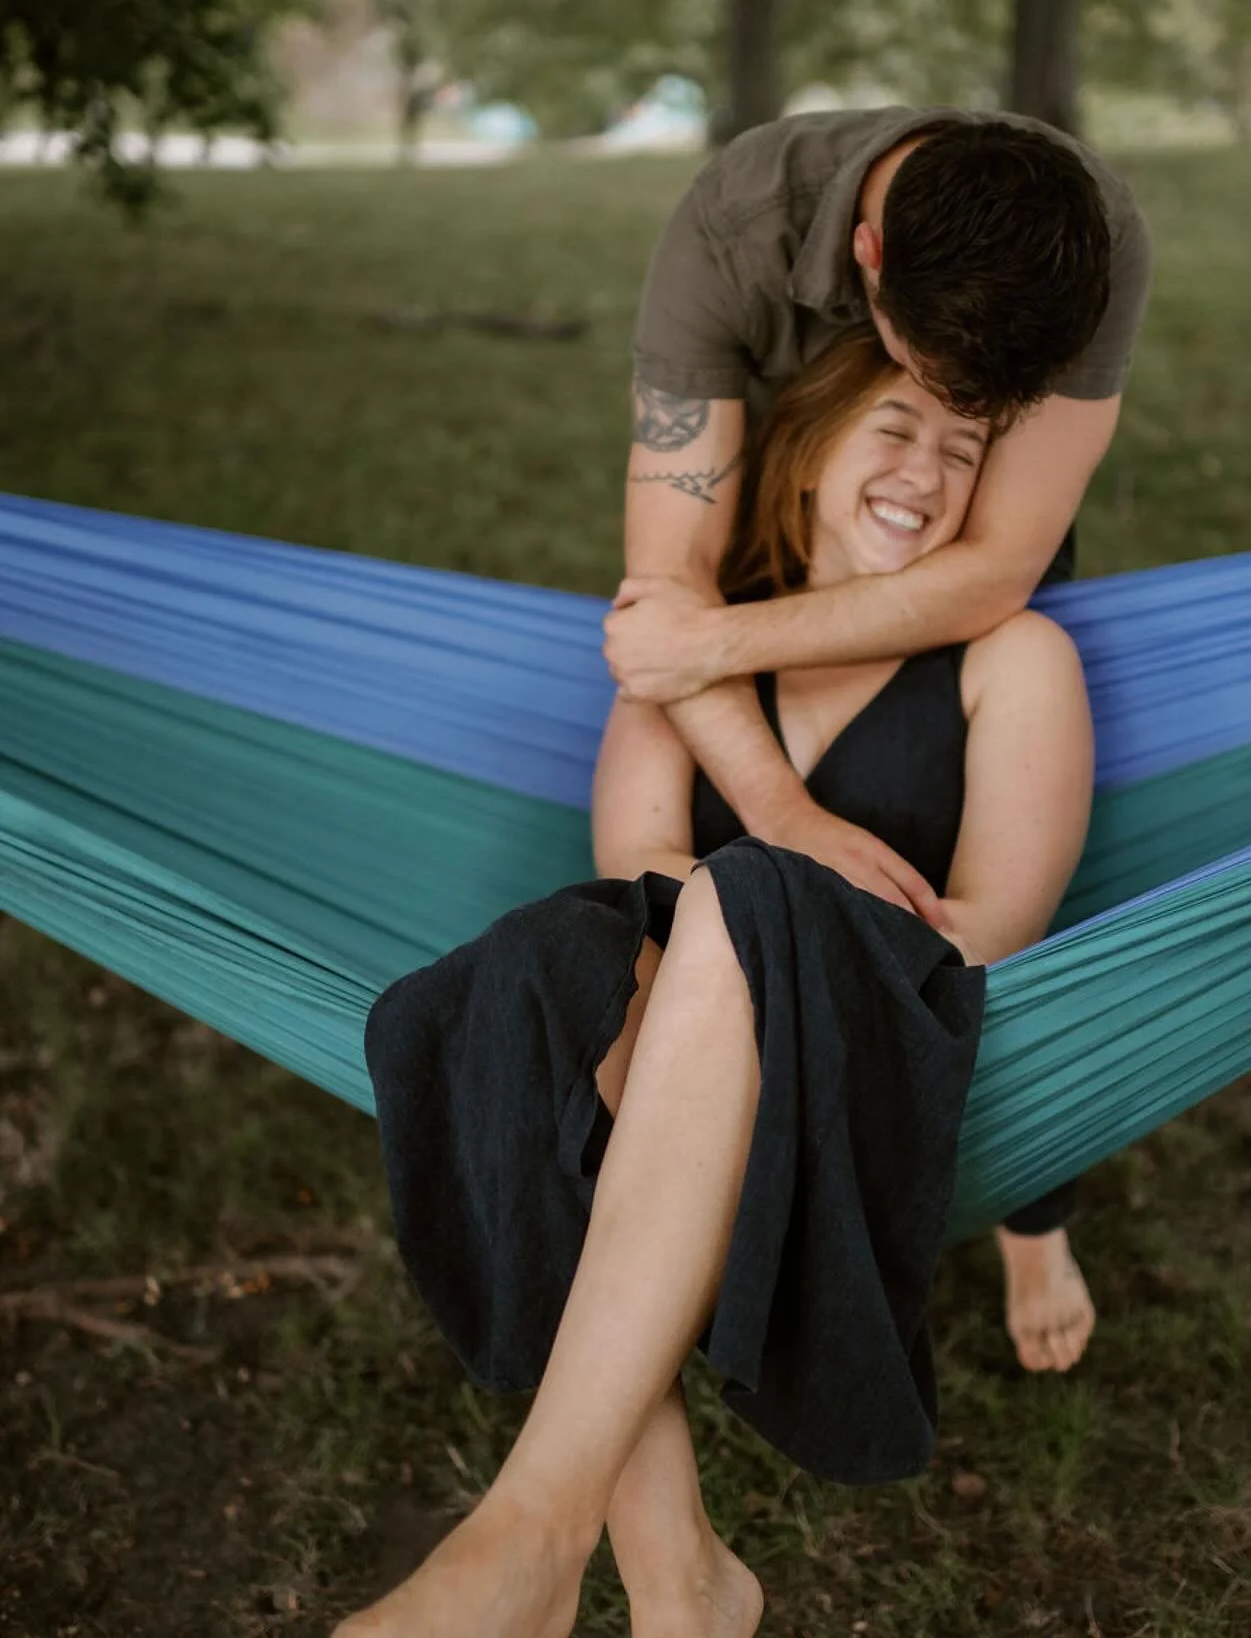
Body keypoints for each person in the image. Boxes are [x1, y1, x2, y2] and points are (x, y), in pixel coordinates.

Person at [338, 328, 1094, 1638]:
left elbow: (993, 931)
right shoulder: (689, 652)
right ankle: (680, 1579)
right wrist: (755, 900)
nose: (927, 468)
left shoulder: (1013, 657)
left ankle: (536, 1529)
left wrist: (786, 902)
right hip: (683, 1070)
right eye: (895, 428)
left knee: (744, 895)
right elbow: (630, 873)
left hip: (890, 1051)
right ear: (804, 459)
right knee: (523, 971)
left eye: (964, 452)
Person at [604, 106, 1152, 1367]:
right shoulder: (735, 233)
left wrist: (707, 648)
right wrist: (788, 817)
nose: (955, 429)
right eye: (924, 399)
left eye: (983, 420)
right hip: (782, 537)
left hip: (964, 628)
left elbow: (996, 568)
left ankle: (1028, 1201)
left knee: (978, 783)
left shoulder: (1096, 245)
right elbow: (665, 600)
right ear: (863, 253)